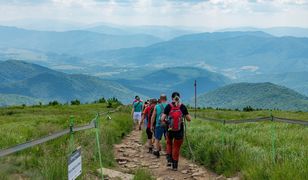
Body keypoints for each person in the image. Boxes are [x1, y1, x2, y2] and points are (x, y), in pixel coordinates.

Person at [161, 92, 191, 171]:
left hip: (170, 129)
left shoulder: (168, 106)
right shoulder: (183, 107)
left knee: (169, 143)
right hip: (179, 130)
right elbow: (189, 119)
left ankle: (169, 160)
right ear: (179, 97)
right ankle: (175, 166)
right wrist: (184, 115)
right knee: (176, 147)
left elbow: (162, 118)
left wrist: (167, 121)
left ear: (172, 98)